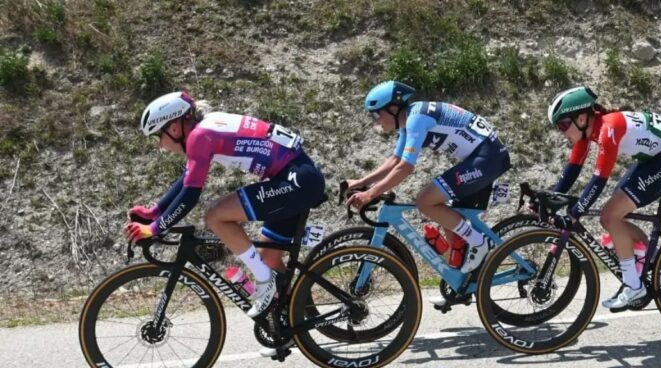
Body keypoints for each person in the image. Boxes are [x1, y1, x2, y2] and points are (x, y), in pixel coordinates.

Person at [124, 91, 326, 319]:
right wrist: (155, 212)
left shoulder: (201, 136)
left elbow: (191, 195)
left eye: (158, 136)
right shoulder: (207, 128)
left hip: (295, 181)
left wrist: (153, 229)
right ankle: (291, 323)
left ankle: (264, 281)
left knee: (215, 216)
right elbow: (187, 179)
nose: (161, 145)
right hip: (297, 177)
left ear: (173, 128)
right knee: (268, 256)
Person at [345, 80, 511, 306]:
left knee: (425, 201)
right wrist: (362, 182)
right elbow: (394, 160)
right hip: (481, 156)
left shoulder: (415, 120)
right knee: (449, 221)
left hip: (487, 158)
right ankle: (461, 286)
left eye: (377, 115)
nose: (376, 121)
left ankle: (479, 242)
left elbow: (405, 167)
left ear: (393, 109)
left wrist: (370, 194)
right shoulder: (408, 119)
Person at [547, 86, 661, 309]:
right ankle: (657, 261)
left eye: (563, 125)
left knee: (611, 216)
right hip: (653, 159)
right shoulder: (589, 132)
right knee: (608, 219)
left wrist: (575, 212)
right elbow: (572, 169)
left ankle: (634, 286)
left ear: (582, 118)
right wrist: (550, 198)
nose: (562, 131)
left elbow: (599, 180)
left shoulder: (608, 129)